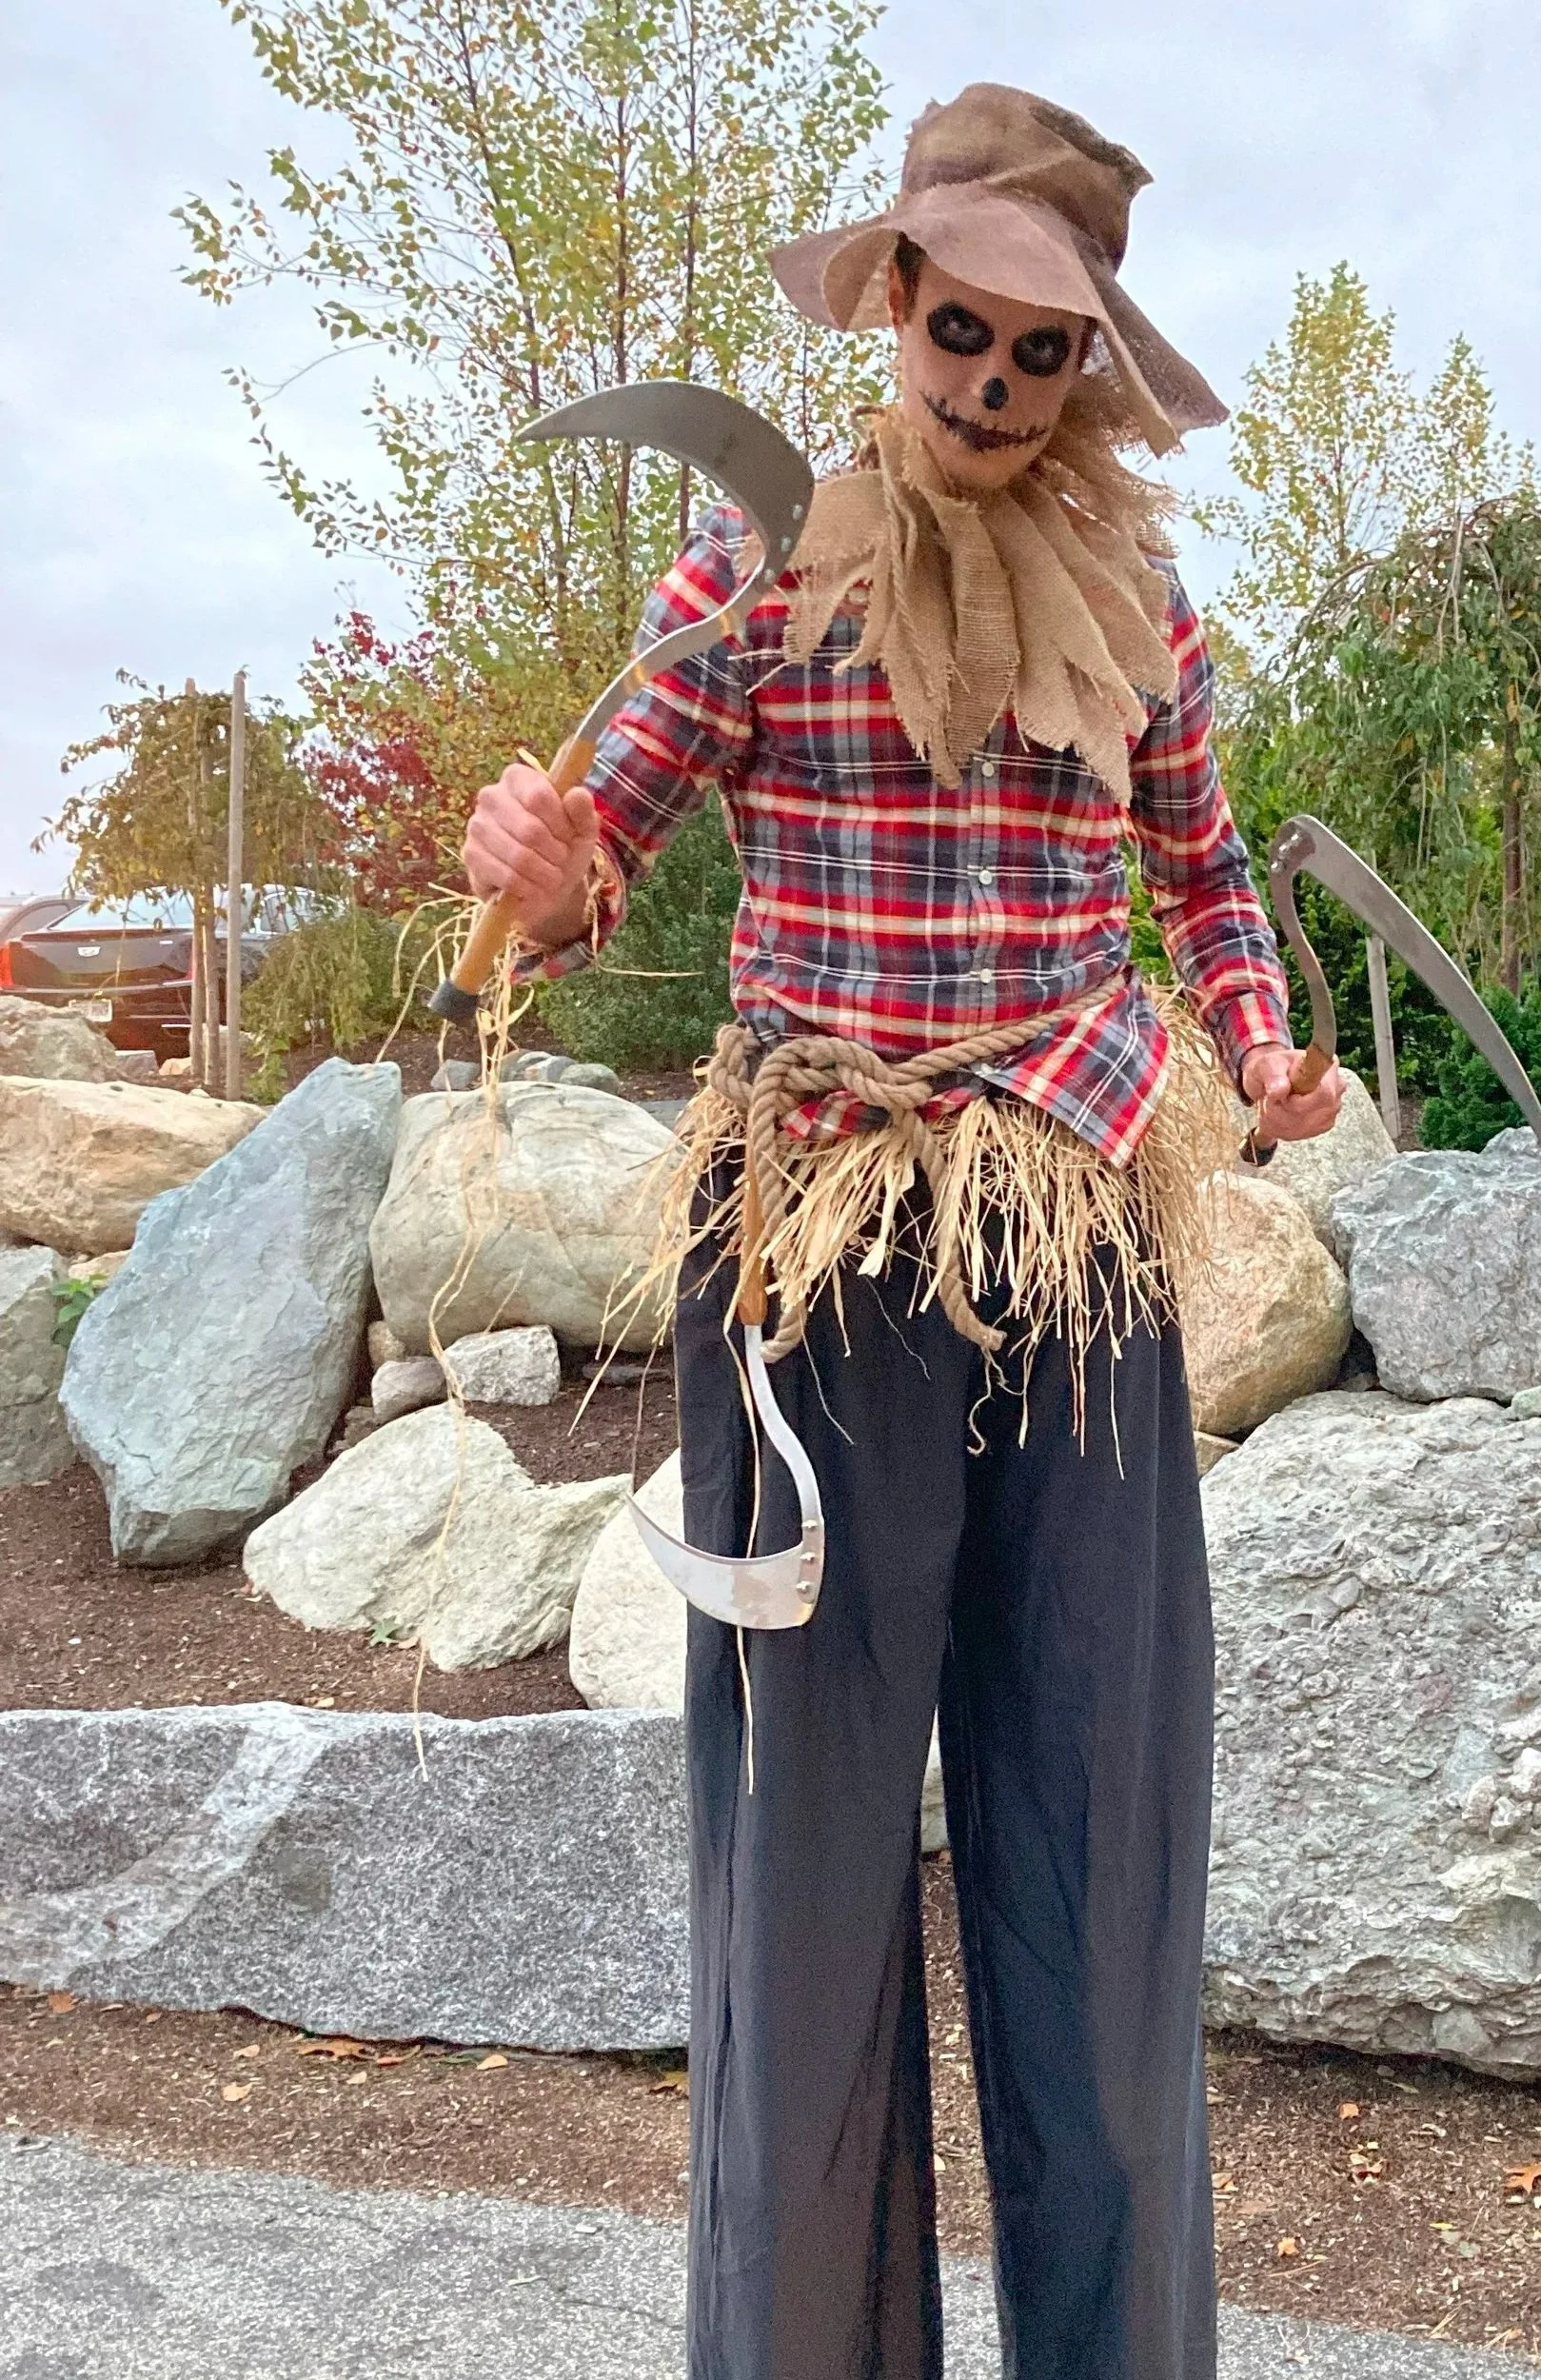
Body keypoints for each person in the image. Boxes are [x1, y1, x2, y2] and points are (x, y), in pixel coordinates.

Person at [461, 82, 1342, 2380]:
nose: (990, 382)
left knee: (1098, 1835)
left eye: (1042, 351)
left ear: (1085, 369)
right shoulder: (758, 567)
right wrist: (538, 880)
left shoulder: (1138, 602)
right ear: (895, 301)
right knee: (811, 1863)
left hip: (1072, 1241)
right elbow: (603, 848)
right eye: (961, 329)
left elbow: (1204, 879)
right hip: (819, 1241)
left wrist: (1263, 1045)